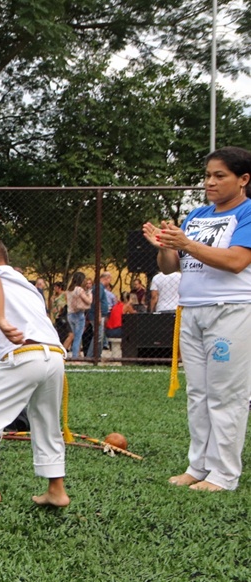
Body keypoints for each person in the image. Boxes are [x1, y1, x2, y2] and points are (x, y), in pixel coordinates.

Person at [143, 146, 251, 492]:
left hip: (230, 311)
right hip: (192, 312)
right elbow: (170, 266)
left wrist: (186, 243)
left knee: (226, 395)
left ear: (243, 179)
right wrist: (165, 244)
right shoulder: (197, 215)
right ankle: (198, 466)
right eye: (207, 175)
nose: (210, 182)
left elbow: (236, 261)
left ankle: (224, 475)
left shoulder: (247, 213)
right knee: (199, 394)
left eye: (220, 175)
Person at [0, 234, 68, 519]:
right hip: (53, 356)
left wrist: (2, 320)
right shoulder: (27, 286)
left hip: (22, 357)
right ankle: (56, 488)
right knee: (46, 422)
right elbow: (13, 325)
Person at [66, 271, 91, 358]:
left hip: (70, 314)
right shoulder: (79, 290)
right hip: (78, 314)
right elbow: (88, 301)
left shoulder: (69, 290)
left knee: (75, 335)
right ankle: (75, 356)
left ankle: (76, 354)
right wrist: (90, 293)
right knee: (78, 336)